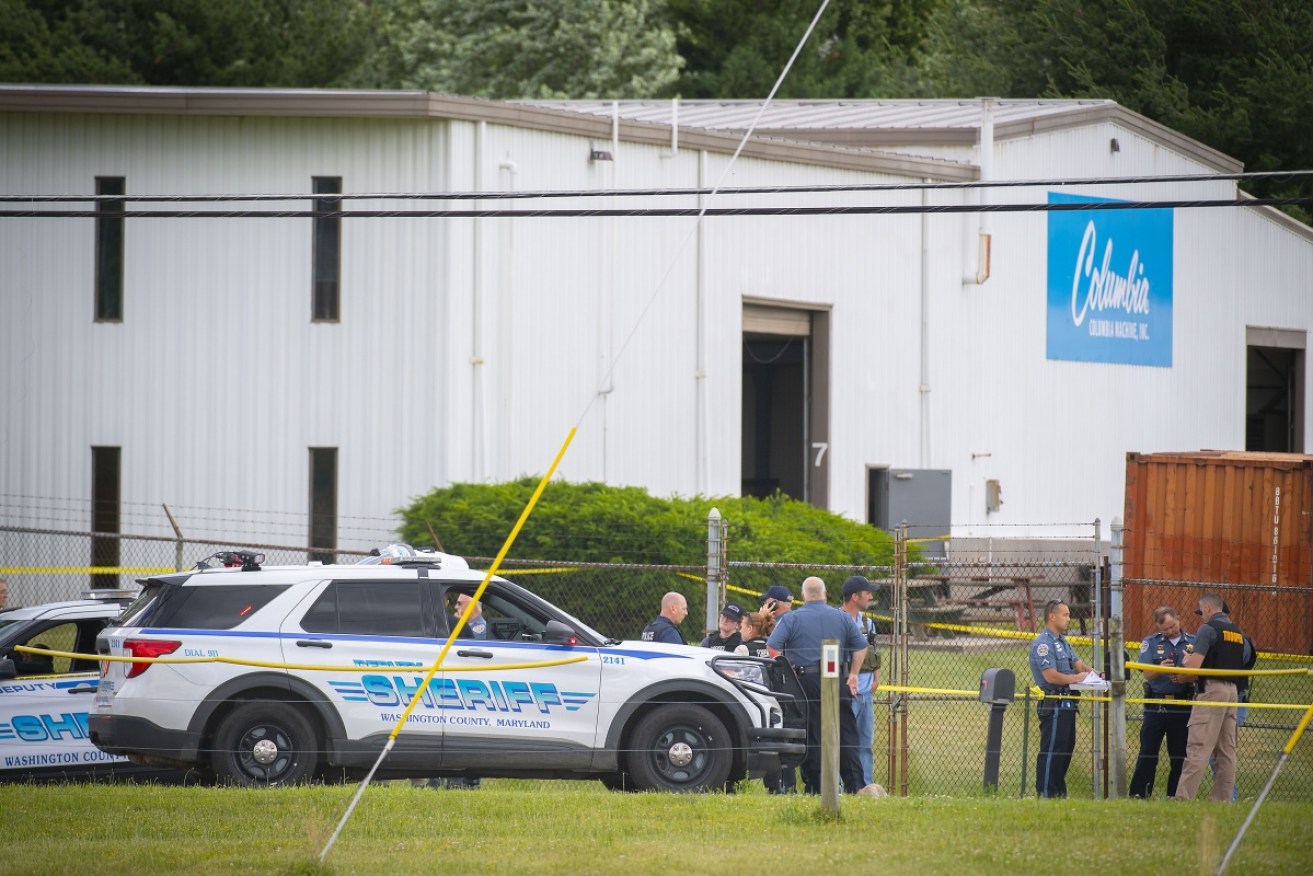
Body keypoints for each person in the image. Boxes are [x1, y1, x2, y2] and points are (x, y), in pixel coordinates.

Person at [766, 576, 867, 795]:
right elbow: (861, 646)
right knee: (846, 733)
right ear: (825, 594)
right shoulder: (842, 618)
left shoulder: (792, 619)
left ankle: (817, 787)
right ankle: (855, 786)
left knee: (812, 733)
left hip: (806, 681)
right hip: (836, 679)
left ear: (803, 596)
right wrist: (854, 675)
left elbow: (772, 647)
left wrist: (787, 668)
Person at [1173, 593, 1250, 801]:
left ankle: (1183, 798)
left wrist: (1186, 662)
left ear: (1207, 609)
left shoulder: (1207, 629)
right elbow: (1246, 660)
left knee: (1198, 747)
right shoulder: (1237, 632)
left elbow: (1194, 667)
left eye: (1201, 612)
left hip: (1212, 691)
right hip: (1232, 692)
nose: (1201, 617)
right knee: (1226, 751)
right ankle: (1222, 800)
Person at [1029, 598, 1096, 798]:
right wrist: (1078, 678)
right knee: (1053, 750)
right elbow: (1050, 675)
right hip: (1054, 702)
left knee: (1066, 748)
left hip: (1068, 702)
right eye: (1065, 615)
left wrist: (1095, 674)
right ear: (1052, 616)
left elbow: (1078, 665)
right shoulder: (1043, 644)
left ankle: (1058, 792)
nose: (1069, 619)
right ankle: (1046, 794)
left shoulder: (1062, 642)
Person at [1128, 606, 1195, 798]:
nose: (1169, 632)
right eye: (1164, 629)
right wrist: (1161, 669)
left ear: (1178, 619)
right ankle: (1140, 794)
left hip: (1182, 704)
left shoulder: (1193, 642)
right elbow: (1147, 673)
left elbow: (1200, 673)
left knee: (1179, 753)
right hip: (1156, 705)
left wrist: (1184, 676)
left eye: (1172, 627)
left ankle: (1175, 795)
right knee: (1148, 751)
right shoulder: (1150, 642)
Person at [840, 575, 881, 788]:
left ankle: (866, 786)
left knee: (865, 743)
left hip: (866, 692)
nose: (871, 596)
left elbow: (874, 651)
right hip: (847, 693)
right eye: (867, 593)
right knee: (842, 742)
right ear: (855, 597)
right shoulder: (837, 620)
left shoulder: (867, 622)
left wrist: (876, 677)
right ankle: (837, 786)